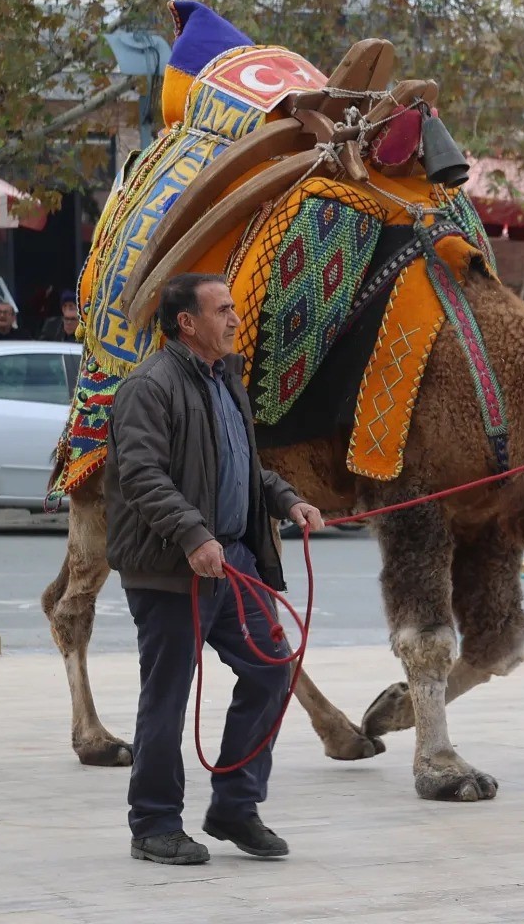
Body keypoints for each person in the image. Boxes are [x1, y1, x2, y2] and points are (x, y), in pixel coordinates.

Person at [105, 272, 325, 865]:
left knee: (271, 672)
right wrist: (194, 535)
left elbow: (242, 465)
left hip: (235, 562)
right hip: (173, 569)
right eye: (223, 310)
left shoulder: (225, 380)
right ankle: (153, 824)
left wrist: (287, 500)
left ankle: (234, 806)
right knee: (168, 695)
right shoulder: (148, 388)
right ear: (187, 323)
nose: (234, 319)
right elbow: (143, 477)